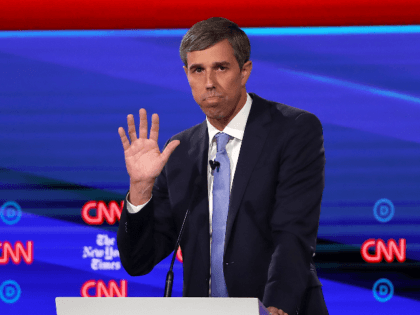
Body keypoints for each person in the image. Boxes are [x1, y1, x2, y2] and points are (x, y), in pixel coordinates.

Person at [117, 17, 328, 315]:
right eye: (197, 70)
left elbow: (293, 232)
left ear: (244, 71)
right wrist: (140, 189)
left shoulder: (293, 130)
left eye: (221, 68)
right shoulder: (179, 151)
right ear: (186, 75)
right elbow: (138, 262)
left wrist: (276, 305)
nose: (209, 83)